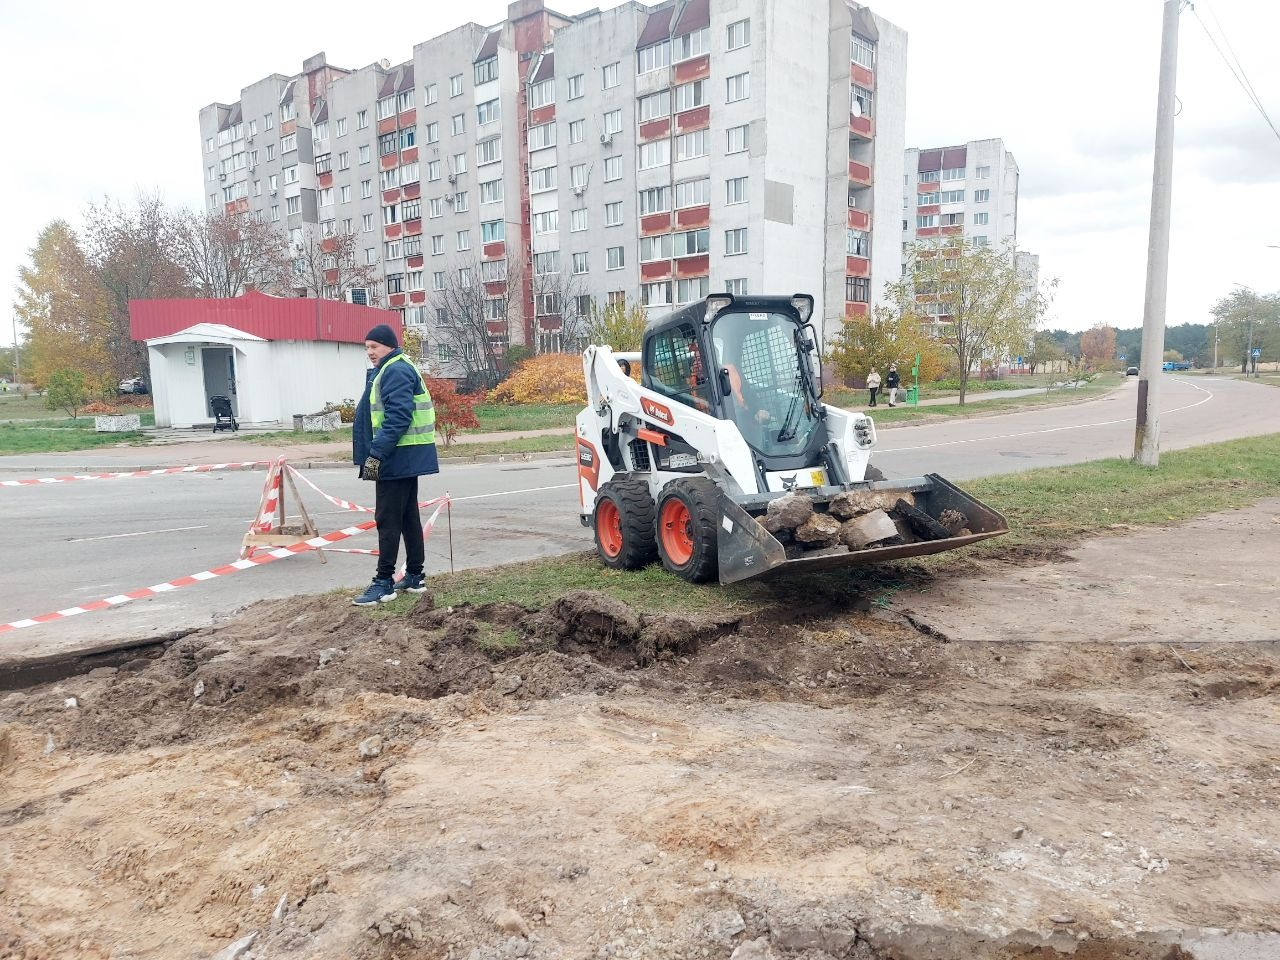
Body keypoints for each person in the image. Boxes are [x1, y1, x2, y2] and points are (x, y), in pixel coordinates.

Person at [351, 323, 439, 605]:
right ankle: (414, 575)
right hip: (402, 455)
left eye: (374, 347)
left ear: (389, 346)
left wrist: (375, 454)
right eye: (367, 348)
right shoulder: (393, 367)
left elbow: (398, 417)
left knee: (388, 520)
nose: (370, 352)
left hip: (393, 456)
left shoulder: (396, 370)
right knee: (407, 517)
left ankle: (384, 582)